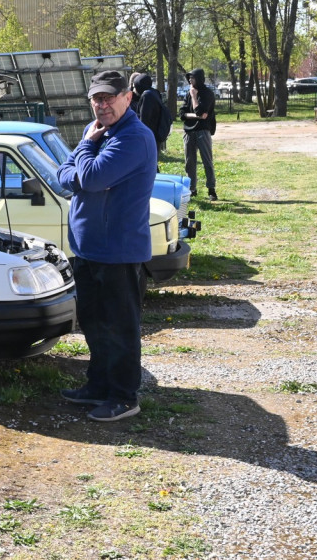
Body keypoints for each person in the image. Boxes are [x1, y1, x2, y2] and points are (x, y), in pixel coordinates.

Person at [56, 70, 156, 422]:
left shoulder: (134, 137)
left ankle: (124, 396)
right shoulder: (94, 130)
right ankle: (98, 386)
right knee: (94, 323)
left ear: (128, 97)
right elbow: (62, 177)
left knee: (120, 327)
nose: (102, 104)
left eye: (109, 97)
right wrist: (85, 164)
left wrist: (85, 157)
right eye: (97, 98)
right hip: (87, 248)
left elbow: (93, 178)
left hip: (118, 252)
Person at [180, 68, 217, 200]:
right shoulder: (188, 93)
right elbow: (181, 113)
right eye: (189, 78)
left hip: (203, 130)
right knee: (190, 161)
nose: (190, 80)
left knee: (207, 160)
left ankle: (211, 189)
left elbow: (201, 112)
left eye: (193, 78)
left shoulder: (207, 94)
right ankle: (192, 189)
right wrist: (194, 115)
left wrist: (194, 97)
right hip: (189, 131)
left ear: (199, 79)